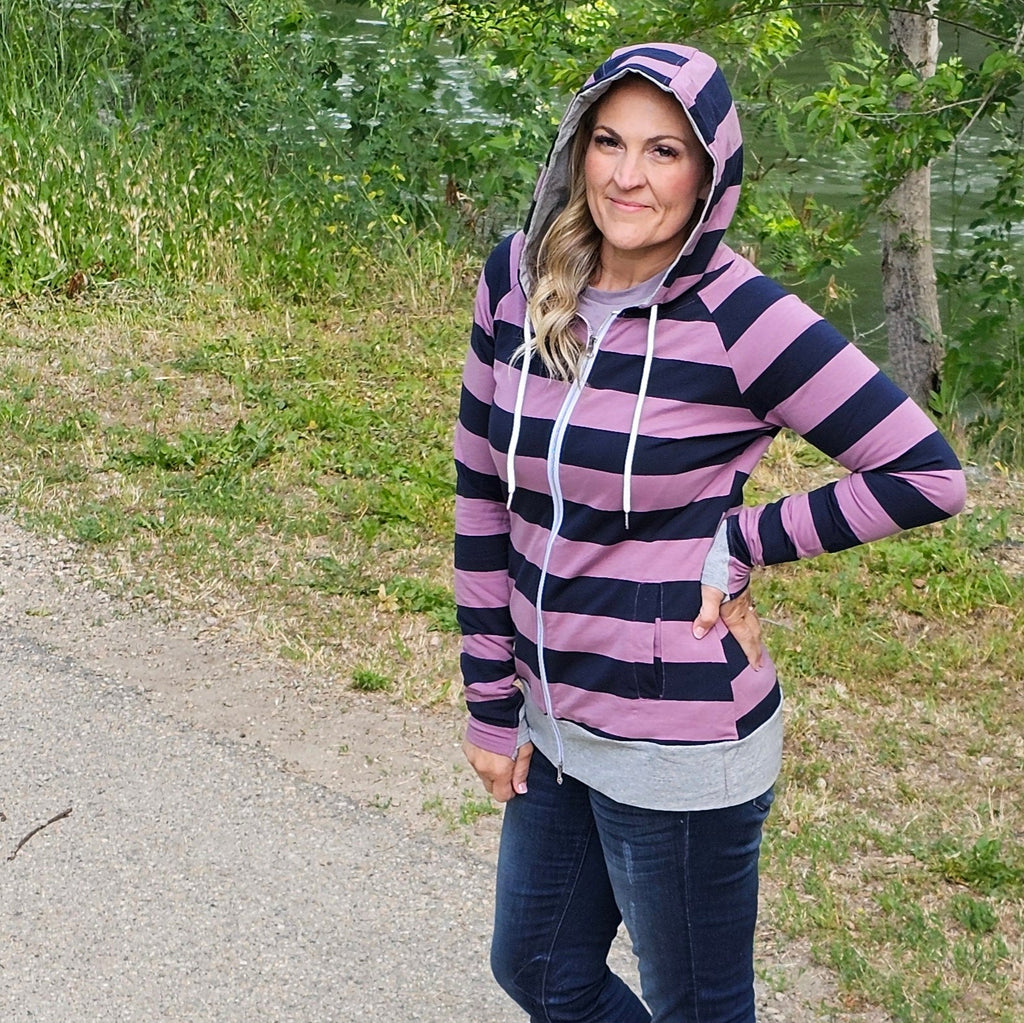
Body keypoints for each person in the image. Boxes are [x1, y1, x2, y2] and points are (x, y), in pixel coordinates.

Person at [453, 42, 965, 1023]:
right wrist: (488, 701)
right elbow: (482, 491)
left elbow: (926, 474)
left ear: (708, 175)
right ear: (576, 148)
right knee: (539, 969)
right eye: (608, 142)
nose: (627, 176)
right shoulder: (513, 284)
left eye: (663, 151)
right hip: (553, 723)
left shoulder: (742, 317)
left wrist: (741, 541)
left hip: (677, 737)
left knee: (697, 1008)